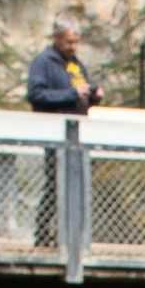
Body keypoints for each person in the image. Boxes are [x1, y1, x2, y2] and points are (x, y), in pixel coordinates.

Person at [25, 16, 103, 246]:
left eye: (76, 42)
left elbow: (82, 91)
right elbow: (36, 95)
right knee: (54, 183)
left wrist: (93, 95)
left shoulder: (75, 64)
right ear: (57, 38)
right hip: (56, 133)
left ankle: (70, 235)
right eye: (69, 42)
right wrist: (71, 94)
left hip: (79, 135)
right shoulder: (44, 63)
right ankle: (43, 234)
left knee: (76, 184)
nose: (73, 47)